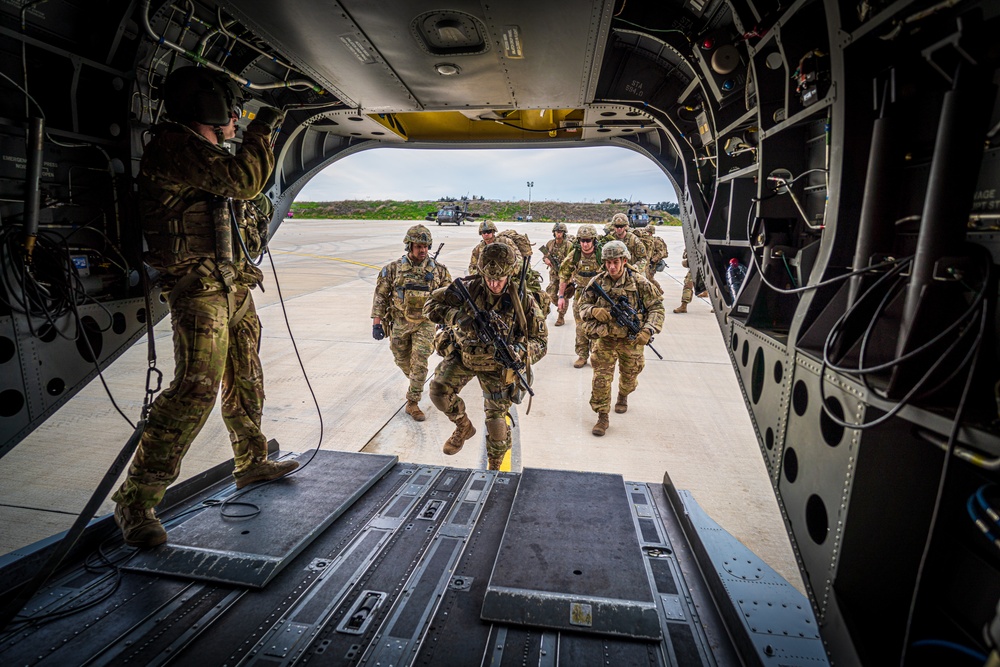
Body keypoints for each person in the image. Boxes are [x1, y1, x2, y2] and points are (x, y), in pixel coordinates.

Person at [111, 67, 295, 548]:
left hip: (232, 283)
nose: (237, 121)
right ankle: (136, 501)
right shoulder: (174, 147)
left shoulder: (201, 153)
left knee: (247, 375)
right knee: (195, 388)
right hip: (199, 288)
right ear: (213, 112)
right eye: (233, 114)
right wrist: (268, 123)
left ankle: (251, 462)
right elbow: (247, 179)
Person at [424, 242, 547, 470]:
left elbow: (540, 341)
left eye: (499, 279)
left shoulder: (524, 300)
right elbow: (430, 304)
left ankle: (494, 467)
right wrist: (456, 317)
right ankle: (463, 426)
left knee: (497, 426)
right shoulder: (467, 289)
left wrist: (520, 352)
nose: (493, 284)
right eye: (489, 278)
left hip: (497, 365)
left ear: (510, 274)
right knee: (438, 392)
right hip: (465, 355)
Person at [579, 240, 664, 436]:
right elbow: (582, 306)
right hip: (605, 339)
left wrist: (648, 330)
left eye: (615, 262)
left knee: (630, 376)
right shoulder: (597, 282)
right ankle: (602, 416)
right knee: (601, 379)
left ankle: (624, 394)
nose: (612, 266)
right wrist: (593, 310)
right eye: (608, 262)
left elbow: (656, 308)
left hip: (631, 340)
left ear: (624, 261)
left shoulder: (640, 283)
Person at [371, 225, 452, 420]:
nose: (422, 250)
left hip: (425, 322)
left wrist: (445, 318)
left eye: (425, 246)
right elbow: (381, 296)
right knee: (400, 357)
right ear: (409, 246)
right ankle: (418, 380)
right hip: (400, 321)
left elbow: (449, 296)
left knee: (420, 361)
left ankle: (413, 402)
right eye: (418, 246)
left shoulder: (439, 271)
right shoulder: (393, 269)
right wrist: (376, 322)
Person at [557, 224, 603, 368]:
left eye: (588, 240)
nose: (585, 243)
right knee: (580, 326)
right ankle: (582, 355)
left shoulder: (601, 255)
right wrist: (561, 297)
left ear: (594, 240)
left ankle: (596, 355)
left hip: (599, 295)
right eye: (582, 240)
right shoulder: (575, 255)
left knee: (597, 326)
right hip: (581, 294)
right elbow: (564, 275)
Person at [542, 222, 573, 325]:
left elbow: (572, 260)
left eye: (560, 232)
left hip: (564, 275)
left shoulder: (568, 245)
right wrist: (546, 259)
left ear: (564, 233)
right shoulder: (550, 244)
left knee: (563, 295)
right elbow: (545, 255)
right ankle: (561, 306)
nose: (558, 234)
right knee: (550, 294)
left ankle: (561, 317)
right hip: (554, 274)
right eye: (557, 232)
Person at [674, 249, 709, 313]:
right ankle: (683, 306)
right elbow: (685, 256)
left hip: (708, 267)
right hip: (696, 266)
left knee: (716, 285)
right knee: (688, 284)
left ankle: (716, 305)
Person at [636, 226, 668, 290]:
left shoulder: (656, 241)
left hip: (652, 264)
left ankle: (658, 291)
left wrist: (652, 260)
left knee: (649, 279)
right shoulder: (644, 240)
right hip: (646, 263)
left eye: (648, 233)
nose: (647, 234)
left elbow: (661, 253)